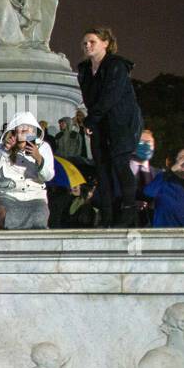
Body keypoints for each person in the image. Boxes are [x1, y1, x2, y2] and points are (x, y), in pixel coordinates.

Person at [78, 27, 142, 228]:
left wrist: (90, 120)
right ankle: (107, 216)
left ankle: (128, 212)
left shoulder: (117, 65)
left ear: (106, 43)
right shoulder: (84, 69)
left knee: (121, 166)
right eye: (85, 42)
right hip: (99, 124)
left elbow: (110, 97)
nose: (87, 45)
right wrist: (92, 123)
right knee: (102, 171)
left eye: (92, 41)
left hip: (121, 123)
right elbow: (89, 99)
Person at [0, 111, 55, 229]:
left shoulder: (43, 147)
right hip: (8, 195)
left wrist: (38, 158)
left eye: (27, 130)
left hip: (35, 196)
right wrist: (5, 150)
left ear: (33, 132)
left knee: (39, 219)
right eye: (20, 129)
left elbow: (48, 176)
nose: (24, 132)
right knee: (2, 215)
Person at [143, 146, 184, 228]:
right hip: (164, 234)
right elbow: (147, 193)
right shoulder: (164, 179)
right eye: (182, 157)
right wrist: (171, 170)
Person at [130, 129, 157, 226]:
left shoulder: (159, 175)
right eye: (141, 142)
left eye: (149, 143)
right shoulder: (117, 171)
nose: (145, 145)